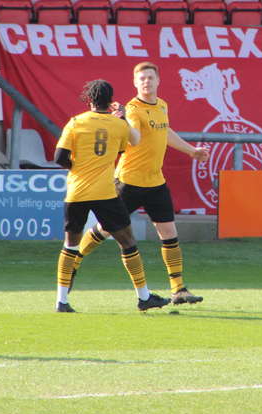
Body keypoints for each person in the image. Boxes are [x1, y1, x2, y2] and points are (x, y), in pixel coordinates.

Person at [72, 62, 210, 305]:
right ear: (135, 83)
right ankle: (74, 259)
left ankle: (178, 289)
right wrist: (123, 121)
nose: (146, 81)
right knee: (105, 228)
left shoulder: (162, 106)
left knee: (169, 234)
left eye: (150, 77)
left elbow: (165, 132)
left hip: (155, 182)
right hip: (129, 182)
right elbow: (133, 137)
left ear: (158, 81)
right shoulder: (133, 109)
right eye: (142, 78)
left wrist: (191, 151)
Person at [54, 79, 170, 313]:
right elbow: (133, 142)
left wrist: (77, 168)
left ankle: (62, 301)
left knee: (70, 246)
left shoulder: (76, 123)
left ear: (89, 100)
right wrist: (123, 116)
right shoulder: (118, 126)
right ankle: (144, 297)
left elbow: (59, 157)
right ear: (110, 100)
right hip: (105, 192)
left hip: (77, 190)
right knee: (127, 242)